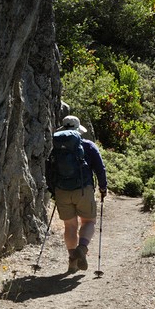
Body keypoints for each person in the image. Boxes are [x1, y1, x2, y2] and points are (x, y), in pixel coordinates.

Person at [46, 115, 108, 273]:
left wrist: (54, 190)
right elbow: (100, 168)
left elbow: (49, 170)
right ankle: (82, 248)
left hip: (62, 191)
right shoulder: (88, 145)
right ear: (77, 129)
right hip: (83, 190)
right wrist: (102, 187)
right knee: (88, 221)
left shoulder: (56, 148)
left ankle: (72, 261)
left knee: (70, 226)